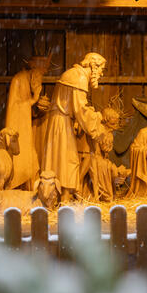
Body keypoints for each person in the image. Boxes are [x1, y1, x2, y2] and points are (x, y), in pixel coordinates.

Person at [41, 52, 109, 202]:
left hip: (61, 121)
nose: (102, 73)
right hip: (62, 123)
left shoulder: (73, 74)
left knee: (61, 159)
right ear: (94, 66)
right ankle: (63, 197)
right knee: (68, 160)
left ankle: (62, 196)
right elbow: (80, 109)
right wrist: (97, 122)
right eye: (102, 69)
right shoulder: (79, 77)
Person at [4, 56, 51, 190]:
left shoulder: (28, 80)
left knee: (32, 160)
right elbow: (14, 109)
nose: (41, 78)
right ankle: (20, 187)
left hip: (26, 129)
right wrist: (34, 99)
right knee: (23, 159)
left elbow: (29, 111)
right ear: (35, 70)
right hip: (19, 130)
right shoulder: (18, 80)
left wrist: (39, 107)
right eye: (41, 74)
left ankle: (28, 188)